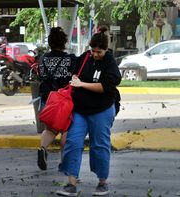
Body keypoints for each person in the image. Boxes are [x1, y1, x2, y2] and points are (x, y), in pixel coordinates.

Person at [56, 26, 121, 196]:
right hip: (80, 109)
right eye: (93, 51)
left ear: (106, 50)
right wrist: (74, 78)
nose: (96, 54)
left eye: (99, 52)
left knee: (99, 145)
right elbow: (74, 73)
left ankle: (102, 182)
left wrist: (82, 84)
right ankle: (71, 183)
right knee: (72, 143)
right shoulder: (85, 57)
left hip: (102, 109)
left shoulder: (109, 62)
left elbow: (106, 87)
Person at [37, 27, 77, 171]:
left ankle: (42, 148)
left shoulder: (43, 59)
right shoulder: (71, 59)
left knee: (50, 129)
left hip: (48, 99)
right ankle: (63, 163)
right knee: (66, 131)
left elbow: (40, 76)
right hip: (64, 99)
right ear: (64, 43)